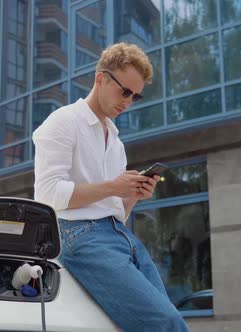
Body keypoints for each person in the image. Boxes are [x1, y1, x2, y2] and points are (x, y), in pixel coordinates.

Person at [32, 42, 189, 332]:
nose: (128, 101)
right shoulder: (64, 121)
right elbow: (48, 195)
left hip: (119, 236)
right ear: (101, 78)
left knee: (171, 319)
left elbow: (114, 211)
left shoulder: (116, 142)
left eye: (135, 96)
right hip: (80, 237)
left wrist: (132, 196)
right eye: (125, 91)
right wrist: (113, 186)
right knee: (165, 323)